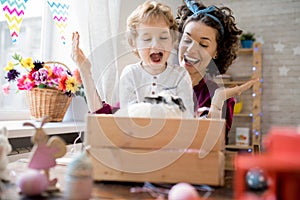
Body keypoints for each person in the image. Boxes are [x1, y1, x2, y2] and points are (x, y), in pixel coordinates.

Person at [176, 0, 247, 143]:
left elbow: (213, 148)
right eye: (187, 40)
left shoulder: (222, 99)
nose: (190, 50)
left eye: (203, 45)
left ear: (216, 52)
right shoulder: (155, 84)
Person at [119, 0, 194, 117]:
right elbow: (130, 116)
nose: (156, 44)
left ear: (173, 41)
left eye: (163, 37)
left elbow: (186, 115)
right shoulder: (130, 74)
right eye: (147, 39)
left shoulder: (181, 75)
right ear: (134, 44)